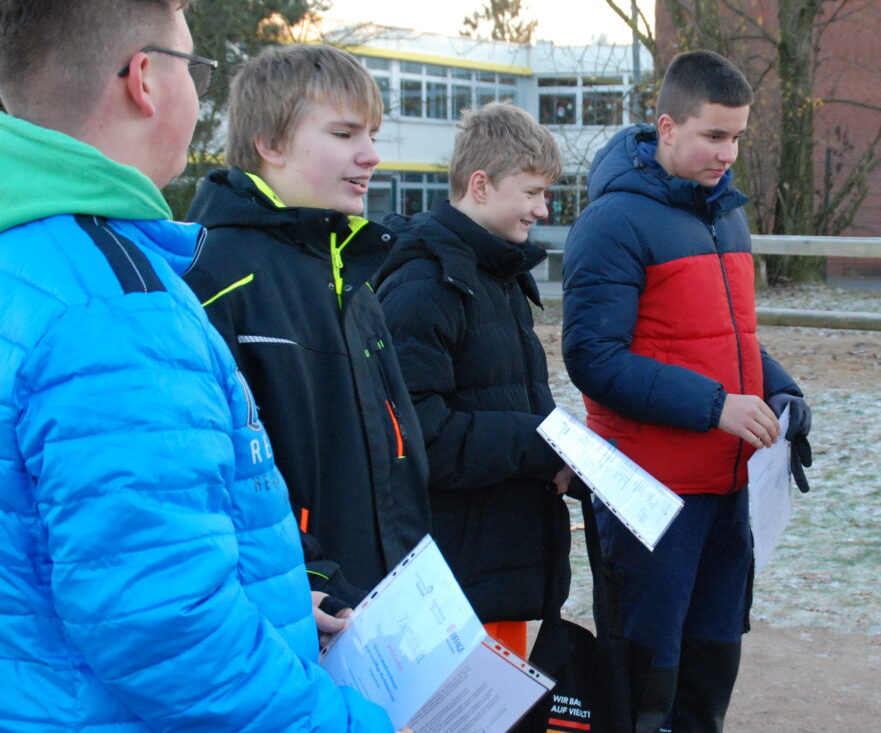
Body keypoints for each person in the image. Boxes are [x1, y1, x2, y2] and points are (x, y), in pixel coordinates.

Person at [0, 0, 395, 730]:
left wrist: (273, 604)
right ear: (145, 79)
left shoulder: (30, 258)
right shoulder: (114, 309)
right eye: (198, 70)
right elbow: (165, 625)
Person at [562, 49, 811, 733]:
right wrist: (715, 406)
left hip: (727, 492)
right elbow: (593, 359)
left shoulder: (724, 215)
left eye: (736, 137)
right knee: (644, 693)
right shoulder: (611, 224)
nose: (726, 152)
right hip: (648, 498)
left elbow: (727, 341)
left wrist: (782, 392)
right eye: (712, 135)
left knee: (707, 681)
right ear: (667, 127)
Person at [184, 44, 430, 614]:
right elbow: (209, 476)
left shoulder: (352, 274)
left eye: (371, 135)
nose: (371, 155)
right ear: (268, 144)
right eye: (345, 135)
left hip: (383, 600)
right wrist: (307, 574)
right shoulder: (213, 277)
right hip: (300, 609)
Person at [372, 102, 573, 657]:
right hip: (452, 575)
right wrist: (542, 448)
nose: (542, 208)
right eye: (531, 191)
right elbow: (419, 437)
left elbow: (509, 399)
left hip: (494, 561)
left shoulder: (496, 273)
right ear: (480, 185)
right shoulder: (426, 285)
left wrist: (568, 460)